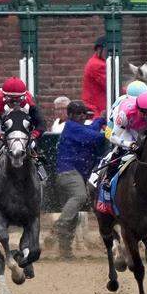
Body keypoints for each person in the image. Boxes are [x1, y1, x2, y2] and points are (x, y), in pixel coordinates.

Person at [90, 92, 147, 215]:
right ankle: (107, 183)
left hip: (140, 128)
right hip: (124, 129)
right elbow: (112, 137)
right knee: (120, 151)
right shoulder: (124, 113)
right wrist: (129, 144)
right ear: (141, 112)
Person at [0, 77, 47, 188]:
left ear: (24, 97)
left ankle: (39, 168)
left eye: (19, 100)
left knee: (32, 144)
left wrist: (33, 135)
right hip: (2, 127)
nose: (15, 104)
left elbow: (41, 123)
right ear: (4, 97)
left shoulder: (30, 103)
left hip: (23, 130)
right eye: (11, 100)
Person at [53, 100, 106, 258]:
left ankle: (65, 251)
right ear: (70, 115)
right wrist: (109, 131)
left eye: (84, 113)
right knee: (80, 196)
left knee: (74, 217)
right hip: (68, 173)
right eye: (78, 114)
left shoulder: (78, 127)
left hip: (71, 174)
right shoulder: (72, 127)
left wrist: (100, 120)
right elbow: (95, 137)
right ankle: (59, 225)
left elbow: (91, 129)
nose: (82, 116)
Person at [81, 35, 108, 118]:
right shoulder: (98, 65)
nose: (108, 53)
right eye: (106, 50)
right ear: (99, 50)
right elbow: (111, 86)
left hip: (98, 108)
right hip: (97, 110)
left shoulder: (97, 62)